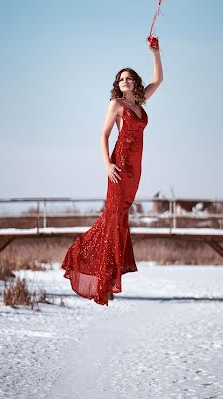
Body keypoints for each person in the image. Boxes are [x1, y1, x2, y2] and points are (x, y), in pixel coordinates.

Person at [61, 41, 163, 305]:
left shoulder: (140, 103)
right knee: (113, 219)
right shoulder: (116, 105)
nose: (125, 81)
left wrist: (155, 52)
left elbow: (158, 79)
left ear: (135, 83)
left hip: (135, 171)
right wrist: (107, 165)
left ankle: (106, 278)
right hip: (118, 167)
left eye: (129, 78)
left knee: (118, 220)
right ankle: (94, 268)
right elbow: (103, 135)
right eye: (121, 79)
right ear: (117, 86)